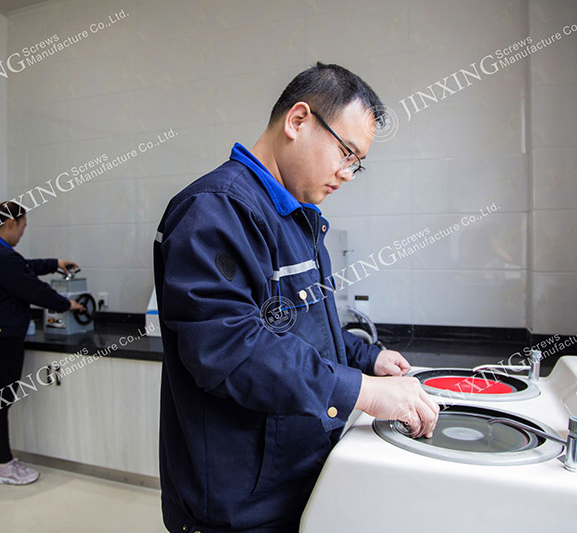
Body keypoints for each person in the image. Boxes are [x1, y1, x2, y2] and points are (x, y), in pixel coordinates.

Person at [154, 62, 440, 532]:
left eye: (357, 162)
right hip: (238, 502)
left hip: (294, 478)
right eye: (346, 152)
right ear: (298, 120)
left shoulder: (296, 218)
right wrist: (364, 392)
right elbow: (230, 349)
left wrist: (368, 359)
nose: (348, 173)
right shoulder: (216, 210)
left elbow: (300, 328)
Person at [0, 200, 84, 485]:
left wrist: (54, 263)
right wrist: (68, 304)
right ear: (11, 223)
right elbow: (32, 289)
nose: (22, 233)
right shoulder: (1, 256)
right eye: (23, 227)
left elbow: (22, 269)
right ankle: (5, 466)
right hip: (3, 340)